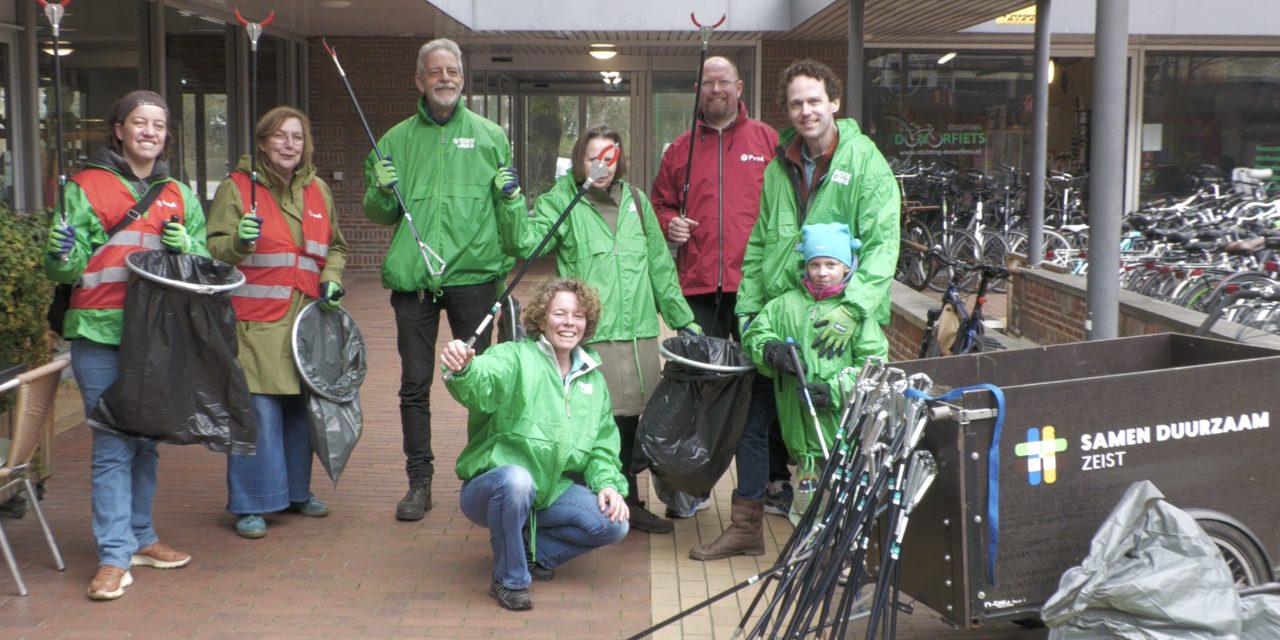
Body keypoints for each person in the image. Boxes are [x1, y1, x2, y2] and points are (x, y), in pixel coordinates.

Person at [498, 124, 700, 534]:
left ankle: (626, 500)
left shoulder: (637, 202)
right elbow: (525, 243)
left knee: (635, 422)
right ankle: (580, 505)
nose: (602, 166)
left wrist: (684, 321)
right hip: (593, 338)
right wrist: (512, 201)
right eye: (593, 158)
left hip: (640, 335)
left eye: (609, 157)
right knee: (593, 422)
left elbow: (660, 269)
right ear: (580, 160)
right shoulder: (564, 200)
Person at [44, 90, 204, 600]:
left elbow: (200, 262)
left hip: (156, 339)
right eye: (139, 122)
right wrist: (60, 255)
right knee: (114, 443)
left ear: (166, 134)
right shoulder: (84, 187)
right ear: (118, 129)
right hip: (98, 333)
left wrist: (189, 248)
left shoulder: (179, 193)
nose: (149, 132)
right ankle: (114, 554)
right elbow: (64, 270)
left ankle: (141, 536)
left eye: (158, 124)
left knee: (147, 441)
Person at [363, 37, 524, 522]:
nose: (445, 78)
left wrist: (512, 196)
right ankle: (420, 482)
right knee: (415, 384)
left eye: (452, 71)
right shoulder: (393, 141)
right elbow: (379, 214)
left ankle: (486, 472)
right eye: (435, 71)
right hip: (414, 283)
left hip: (474, 280)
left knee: (483, 382)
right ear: (420, 80)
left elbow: (508, 214)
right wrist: (380, 190)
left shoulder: (491, 136)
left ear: (462, 78)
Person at [650, 57, 793, 558]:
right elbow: (660, 203)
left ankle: (774, 480)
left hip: (755, 288)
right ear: (698, 88)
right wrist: (670, 223)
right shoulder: (680, 149)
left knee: (764, 386)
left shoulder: (767, 141)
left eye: (723, 82)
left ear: (739, 87)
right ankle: (692, 485)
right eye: (708, 82)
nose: (715, 89)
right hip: (698, 285)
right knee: (699, 388)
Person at [440, 278, 630, 611]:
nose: (569, 323)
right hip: (495, 488)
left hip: (549, 491)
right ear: (541, 319)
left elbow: (602, 447)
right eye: (560, 314)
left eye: (578, 315)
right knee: (517, 480)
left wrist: (609, 485)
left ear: (586, 324)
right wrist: (463, 367)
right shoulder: (514, 356)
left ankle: (530, 550)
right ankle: (509, 578)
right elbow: (480, 381)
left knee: (615, 523)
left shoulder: (594, 379)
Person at [207, 106, 348, 538]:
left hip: (307, 322)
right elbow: (213, 249)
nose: (290, 145)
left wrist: (331, 277)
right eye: (280, 136)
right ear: (263, 143)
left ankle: (296, 492)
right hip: (256, 323)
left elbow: (336, 247)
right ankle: (251, 503)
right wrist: (238, 242)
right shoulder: (237, 188)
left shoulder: (318, 189)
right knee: (259, 413)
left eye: (297, 137)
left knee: (300, 412)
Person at [737, 58, 899, 371]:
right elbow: (760, 243)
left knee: (835, 399)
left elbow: (883, 244)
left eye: (814, 101)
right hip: (784, 315)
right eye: (796, 104)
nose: (806, 111)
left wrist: (852, 309)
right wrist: (748, 307)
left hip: (839, 323)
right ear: (787, 111)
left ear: (834, 103)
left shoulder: (865, 162)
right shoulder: (777, 168)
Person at [742, 223, 886, 523]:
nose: (822, 272)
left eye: (831, 265)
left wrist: (836, 391)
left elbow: (873, 364)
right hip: (800, 437)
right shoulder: (784, 306)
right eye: (815, 264)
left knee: (842, 506)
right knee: (807, 508)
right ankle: (807, 543)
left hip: (841, 432)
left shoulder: (857, 315)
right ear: (805, 266)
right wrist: (771, 350)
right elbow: (755, 334)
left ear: (846, 266)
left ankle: (839, 544)